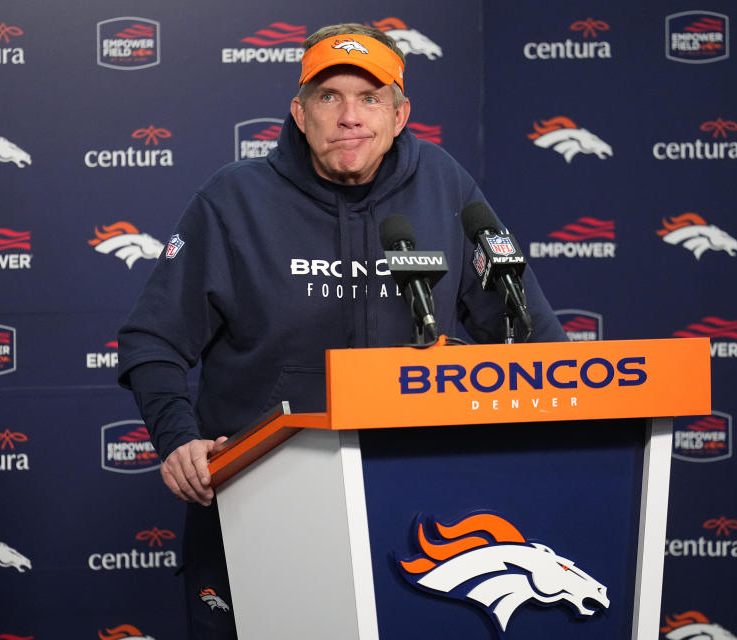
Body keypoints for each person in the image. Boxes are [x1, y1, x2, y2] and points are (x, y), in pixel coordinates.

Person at [117, 22, 566, 639]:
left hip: (414, 505)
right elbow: (152, 339)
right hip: (258, 503)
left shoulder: (445, 185)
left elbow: (532, 335)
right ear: (299, 114)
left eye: (370, 97)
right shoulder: (232, 200)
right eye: (329, 97)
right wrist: (176, 437)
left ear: (401, 113)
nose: (349, 116)